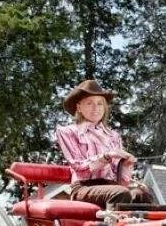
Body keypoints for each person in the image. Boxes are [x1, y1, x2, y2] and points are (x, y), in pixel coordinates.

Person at [54, 79, 152, 207]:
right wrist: (106, 156)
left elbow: (120, 181)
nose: (96, 108)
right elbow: (77, 165)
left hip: (111, 186)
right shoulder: (67, 132)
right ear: (79, 107)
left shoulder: (113, 136)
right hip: (83, 187)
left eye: (100, 104)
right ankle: (109, 225)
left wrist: (126, 165)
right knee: (120, 193)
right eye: (89, 103)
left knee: (141, 194)